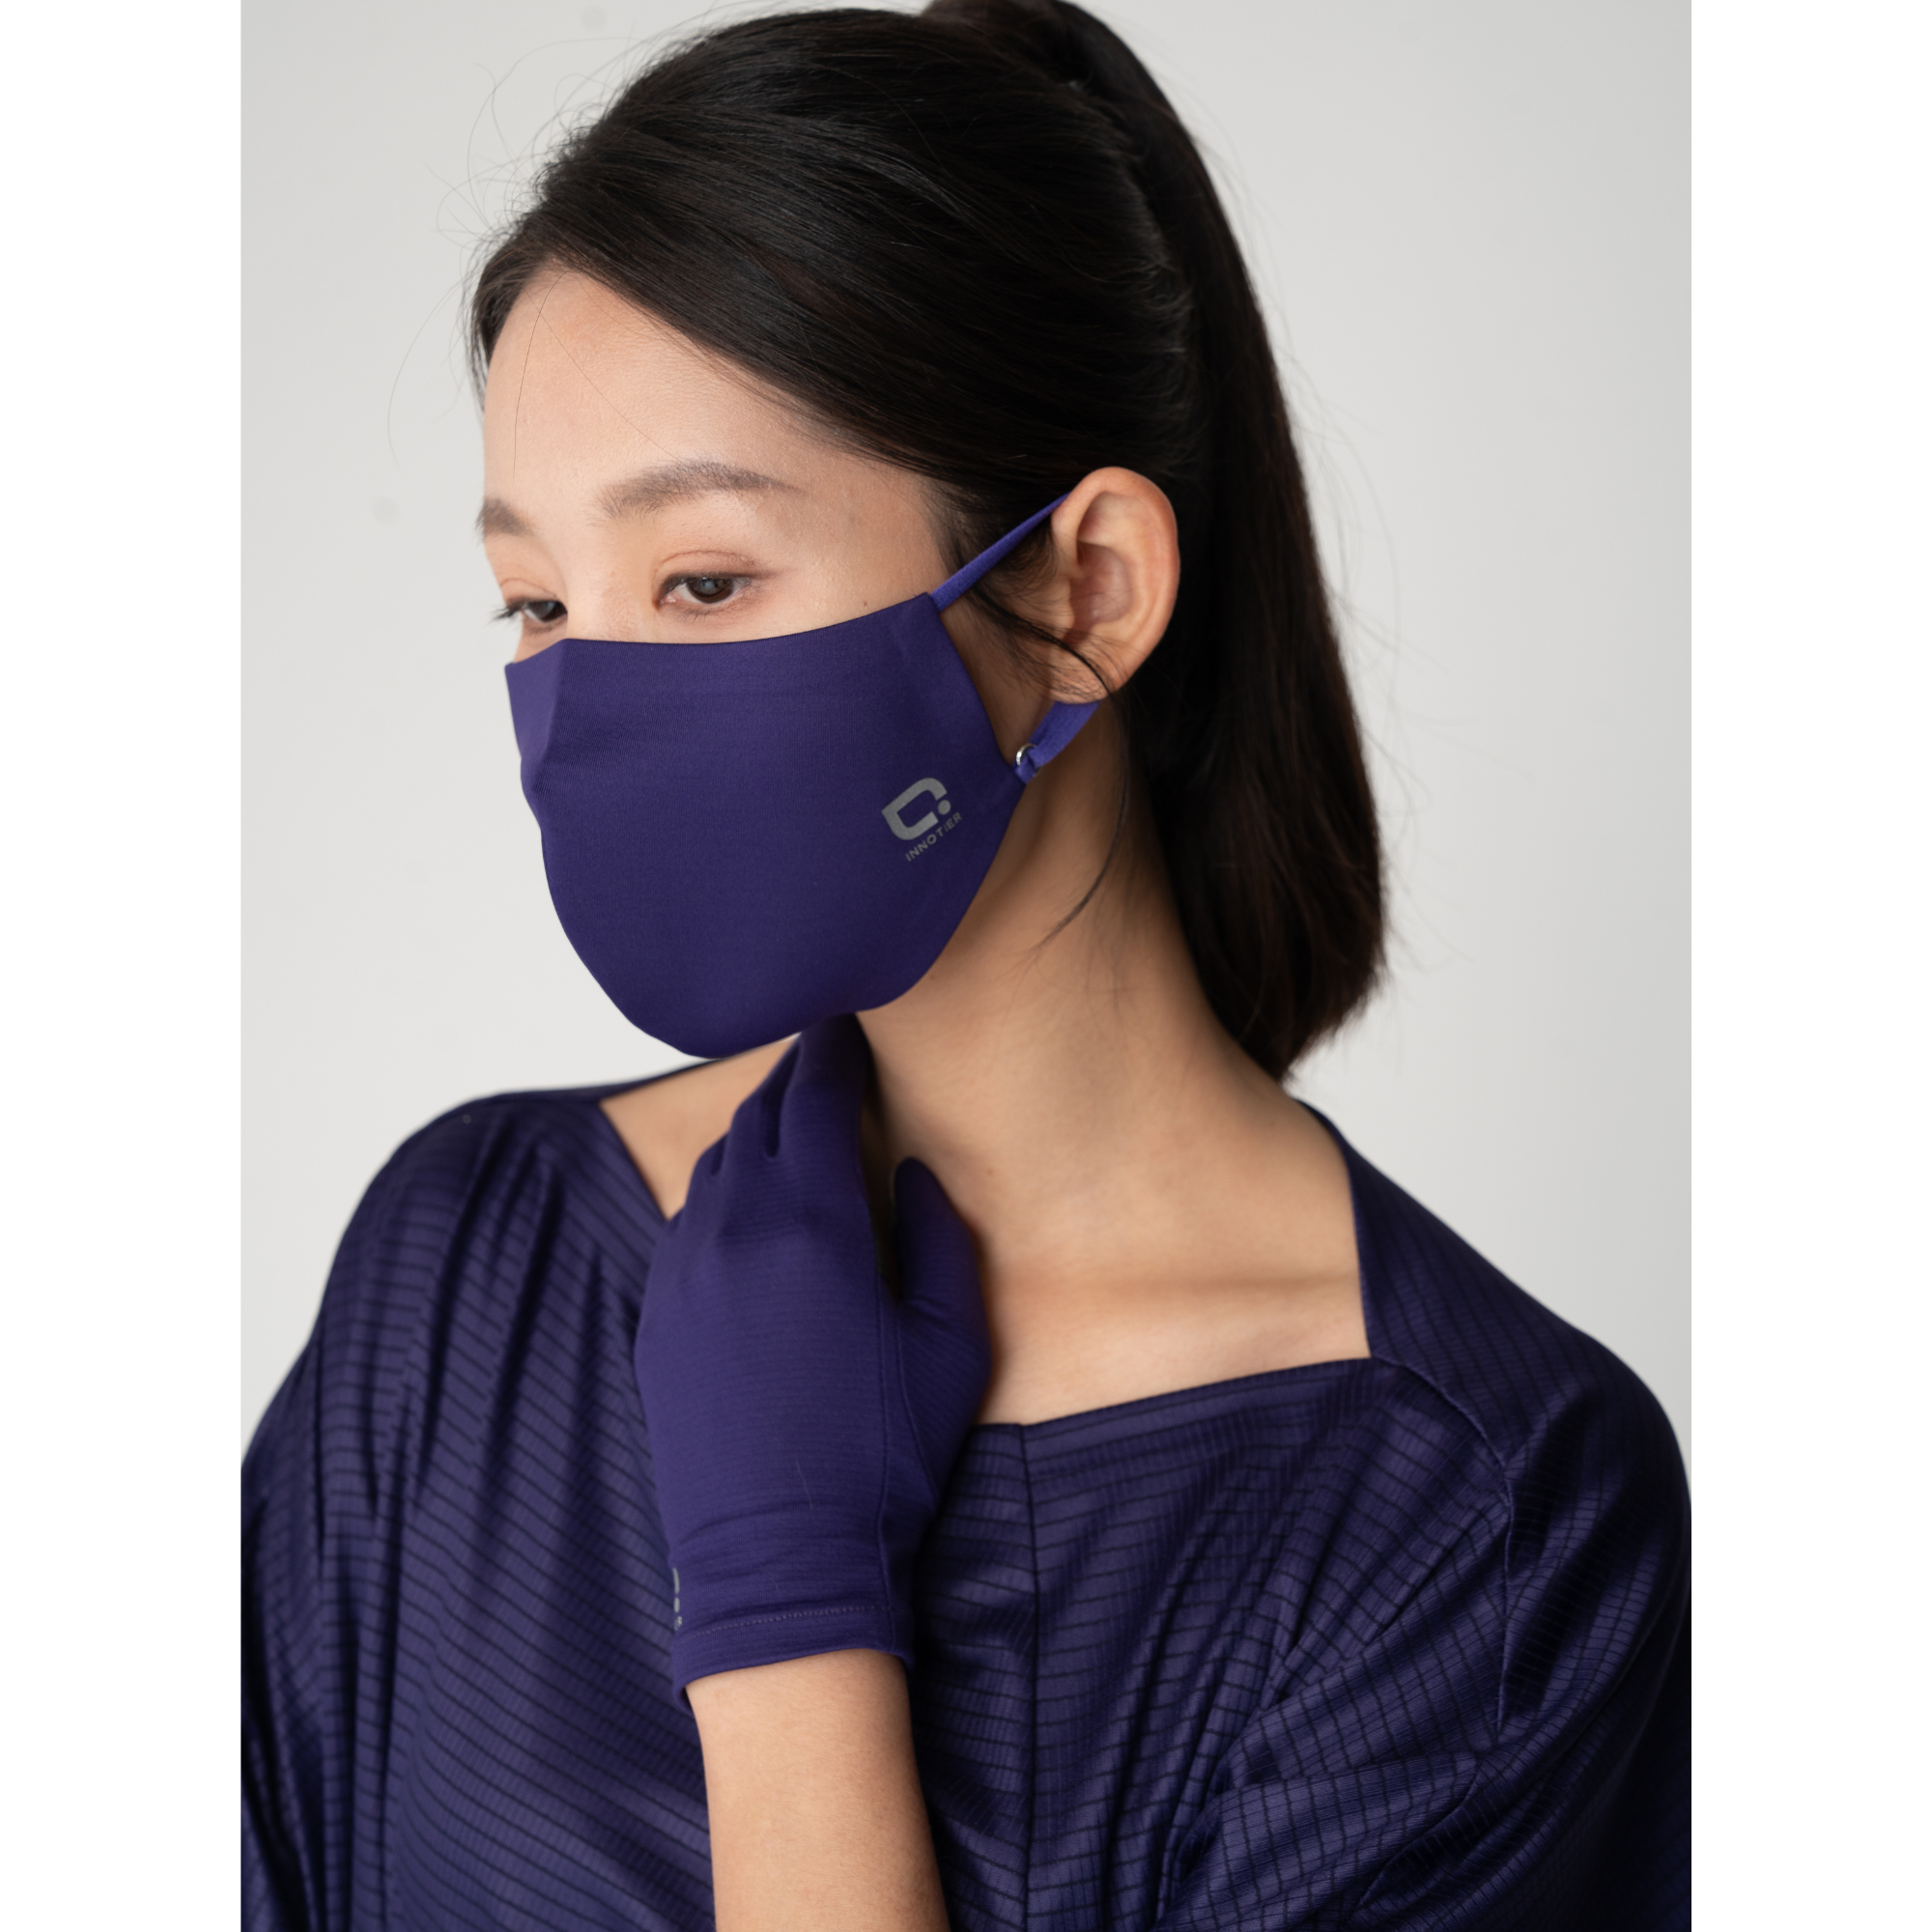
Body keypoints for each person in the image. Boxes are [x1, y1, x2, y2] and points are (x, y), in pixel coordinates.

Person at [242, 3, 1690, 1926]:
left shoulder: (1479, 1515)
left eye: (701, 578)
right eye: (535, 601)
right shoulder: (469, 1274)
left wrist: (781, 1604)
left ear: (1085, 587)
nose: (587, 702)